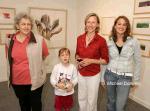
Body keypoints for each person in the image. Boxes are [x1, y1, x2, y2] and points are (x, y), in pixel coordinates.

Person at [6, 12, 49, 111]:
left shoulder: (39, 40)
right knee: (23, 104)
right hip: (17, 80)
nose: (26, 27)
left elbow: (44, 55)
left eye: (28, 24)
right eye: (23, 24)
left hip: (35, 79)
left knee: (36, 104)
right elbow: (9, 59)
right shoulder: (9, 40)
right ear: (17, 25)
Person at [103, 16, 141, 111]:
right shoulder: (109, 41)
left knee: (120, 105)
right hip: (110, 75)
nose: (121, 26)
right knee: (110, 101)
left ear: (127, 27)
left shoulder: (134, 41)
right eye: (119, 24)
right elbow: (105, 60)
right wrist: (102, 78)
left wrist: (136, 80)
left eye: (124, 24)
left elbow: (138, 61)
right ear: (115, 26)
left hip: (125, 77)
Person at [75, 13, 109, 111]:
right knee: (81, 97)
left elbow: (106, 60)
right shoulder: (79, 38)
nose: (90, 24)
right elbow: (77, 54)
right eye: (88, 22)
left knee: (91, 100)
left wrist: (91, 61)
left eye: (93, 22)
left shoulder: (101, 41)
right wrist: (79, 61)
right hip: (81, 72)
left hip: (94, 75)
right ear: (85, 24)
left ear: (97, 24)